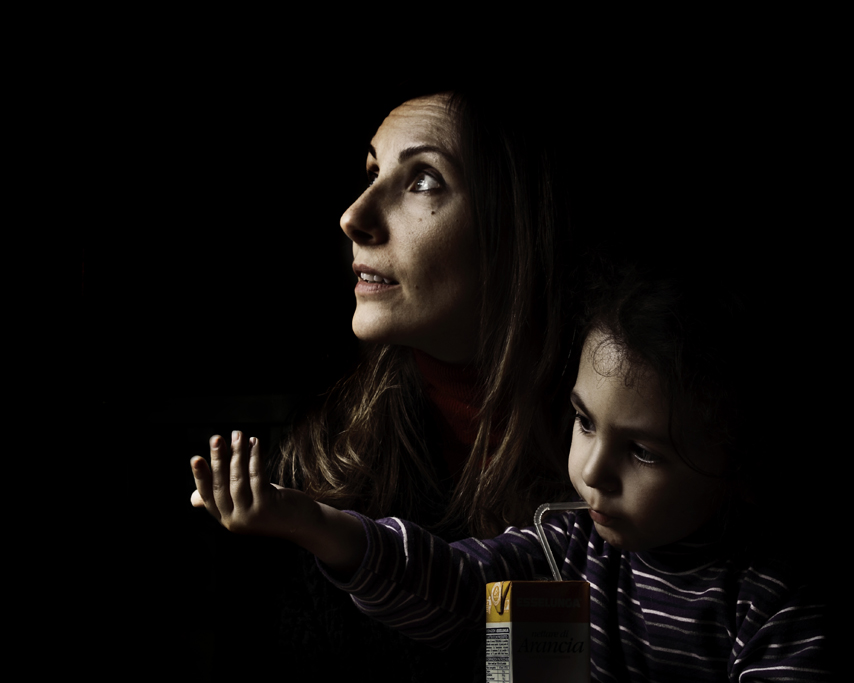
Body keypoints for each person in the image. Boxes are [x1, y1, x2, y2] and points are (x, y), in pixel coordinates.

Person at [191, 254, 829, 681]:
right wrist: (316, 524)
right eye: (584, 422)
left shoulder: (773, 602)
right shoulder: (562, 549)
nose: (592, 472)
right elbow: (450, 583)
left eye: (642, 452)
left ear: (742, 466)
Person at [191, 81, 580, 680]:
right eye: (372, 172)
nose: (353, 217)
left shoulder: (625, 459)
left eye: (424, 179)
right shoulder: (322, 470)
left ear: (519, 226)